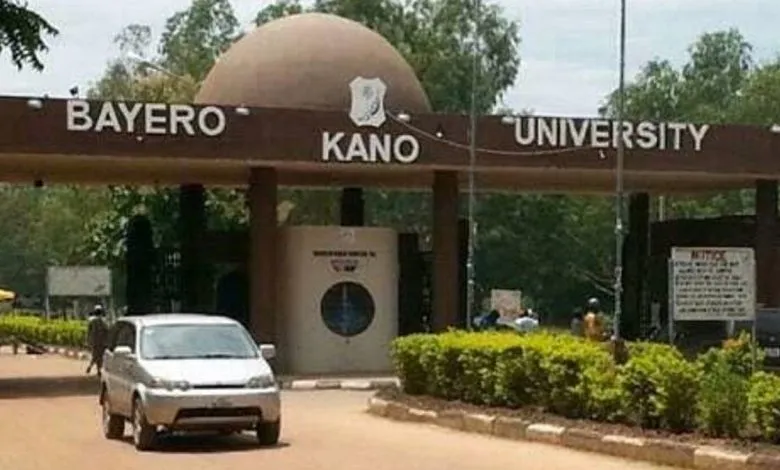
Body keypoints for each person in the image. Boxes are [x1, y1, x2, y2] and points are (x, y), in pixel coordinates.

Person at [85, 304, 109, 376]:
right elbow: (107, 331)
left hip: (94, 342)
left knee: (95, 356)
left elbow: (88, 332)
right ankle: (97, 369)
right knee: (100, 357)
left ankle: (91, 366)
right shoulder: (103, 321)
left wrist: (88, 341)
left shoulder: (92, 321)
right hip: (102, 342)